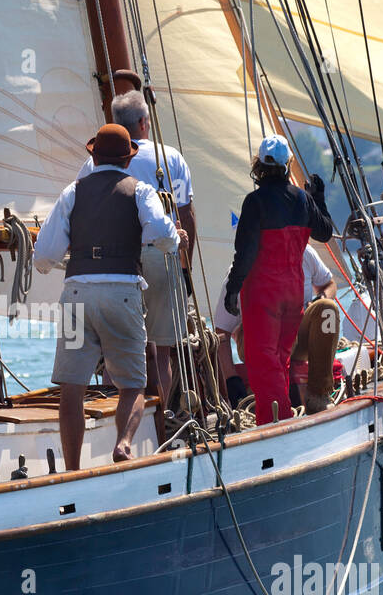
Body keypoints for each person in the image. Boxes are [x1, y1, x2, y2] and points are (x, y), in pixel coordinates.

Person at [35, 123, 180, 469]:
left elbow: (44, 255)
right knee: (132, 384)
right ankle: (124, 444)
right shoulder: (141, 191)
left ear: (94, 157)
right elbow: (162, 232)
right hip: (122, 292)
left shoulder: (73, 191)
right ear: (128, 161)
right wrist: (168, 241)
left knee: (71, 389)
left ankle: (72, 469)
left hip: (76, 293)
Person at [78, 90, 195, 406]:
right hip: (162, 255)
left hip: (115, 261)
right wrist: (185, 267)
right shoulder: (169, 158)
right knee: (161, 351)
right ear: (144, 122)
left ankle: (121, 415)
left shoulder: (93, 164)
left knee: (116, 347)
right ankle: (158, 423)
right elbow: (185, 215)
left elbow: (79, 208)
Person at [223, 135, 335, 425]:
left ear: (259, 164)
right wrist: (318, 199)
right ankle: (282, 418)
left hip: (263, 295)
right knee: (281, 360)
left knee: (264, 365)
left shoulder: (255, 202)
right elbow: (324, 233)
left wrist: (233, 288)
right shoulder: (303, 199)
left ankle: (276, 425)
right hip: (293, 294)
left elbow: (245, 252)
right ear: (288, 164)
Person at [215, 244, 338, 413]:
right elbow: (221, 333)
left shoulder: (304, 252)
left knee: (327, 309)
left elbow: (329, 284)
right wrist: (231, 380)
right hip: (255, 341)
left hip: (296, 336)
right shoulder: (238, 273)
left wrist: (320, 299)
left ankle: (318, 394)